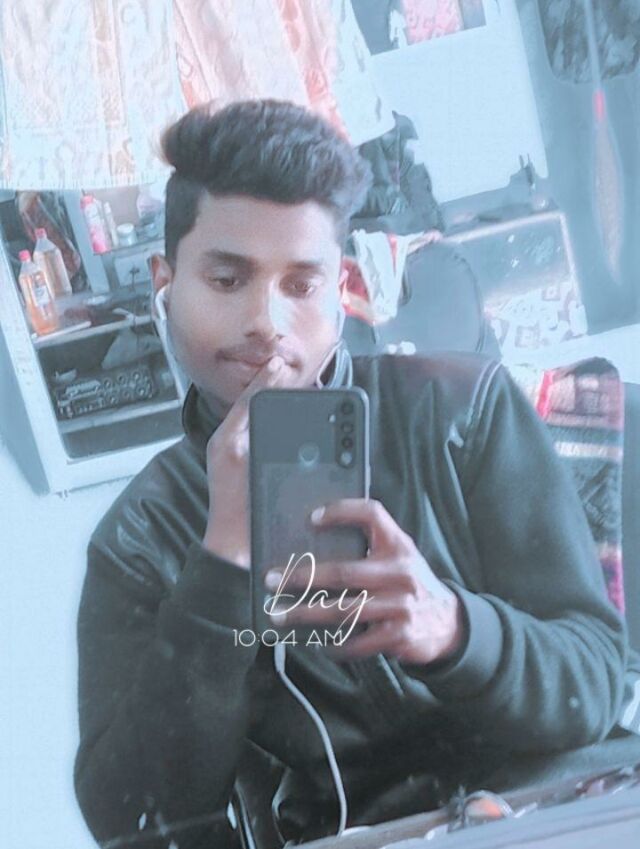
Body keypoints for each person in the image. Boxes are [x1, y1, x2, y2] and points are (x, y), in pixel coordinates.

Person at [74, 99, 639, 849]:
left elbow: (596, 684)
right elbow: (133, 820)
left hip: (562, 809)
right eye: (227, 279)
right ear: (166, 282)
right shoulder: (141, 535)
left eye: (300, 285)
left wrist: (456, 629)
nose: (266, 322)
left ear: (340, 289)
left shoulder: (461, 409)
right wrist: (222, 562)